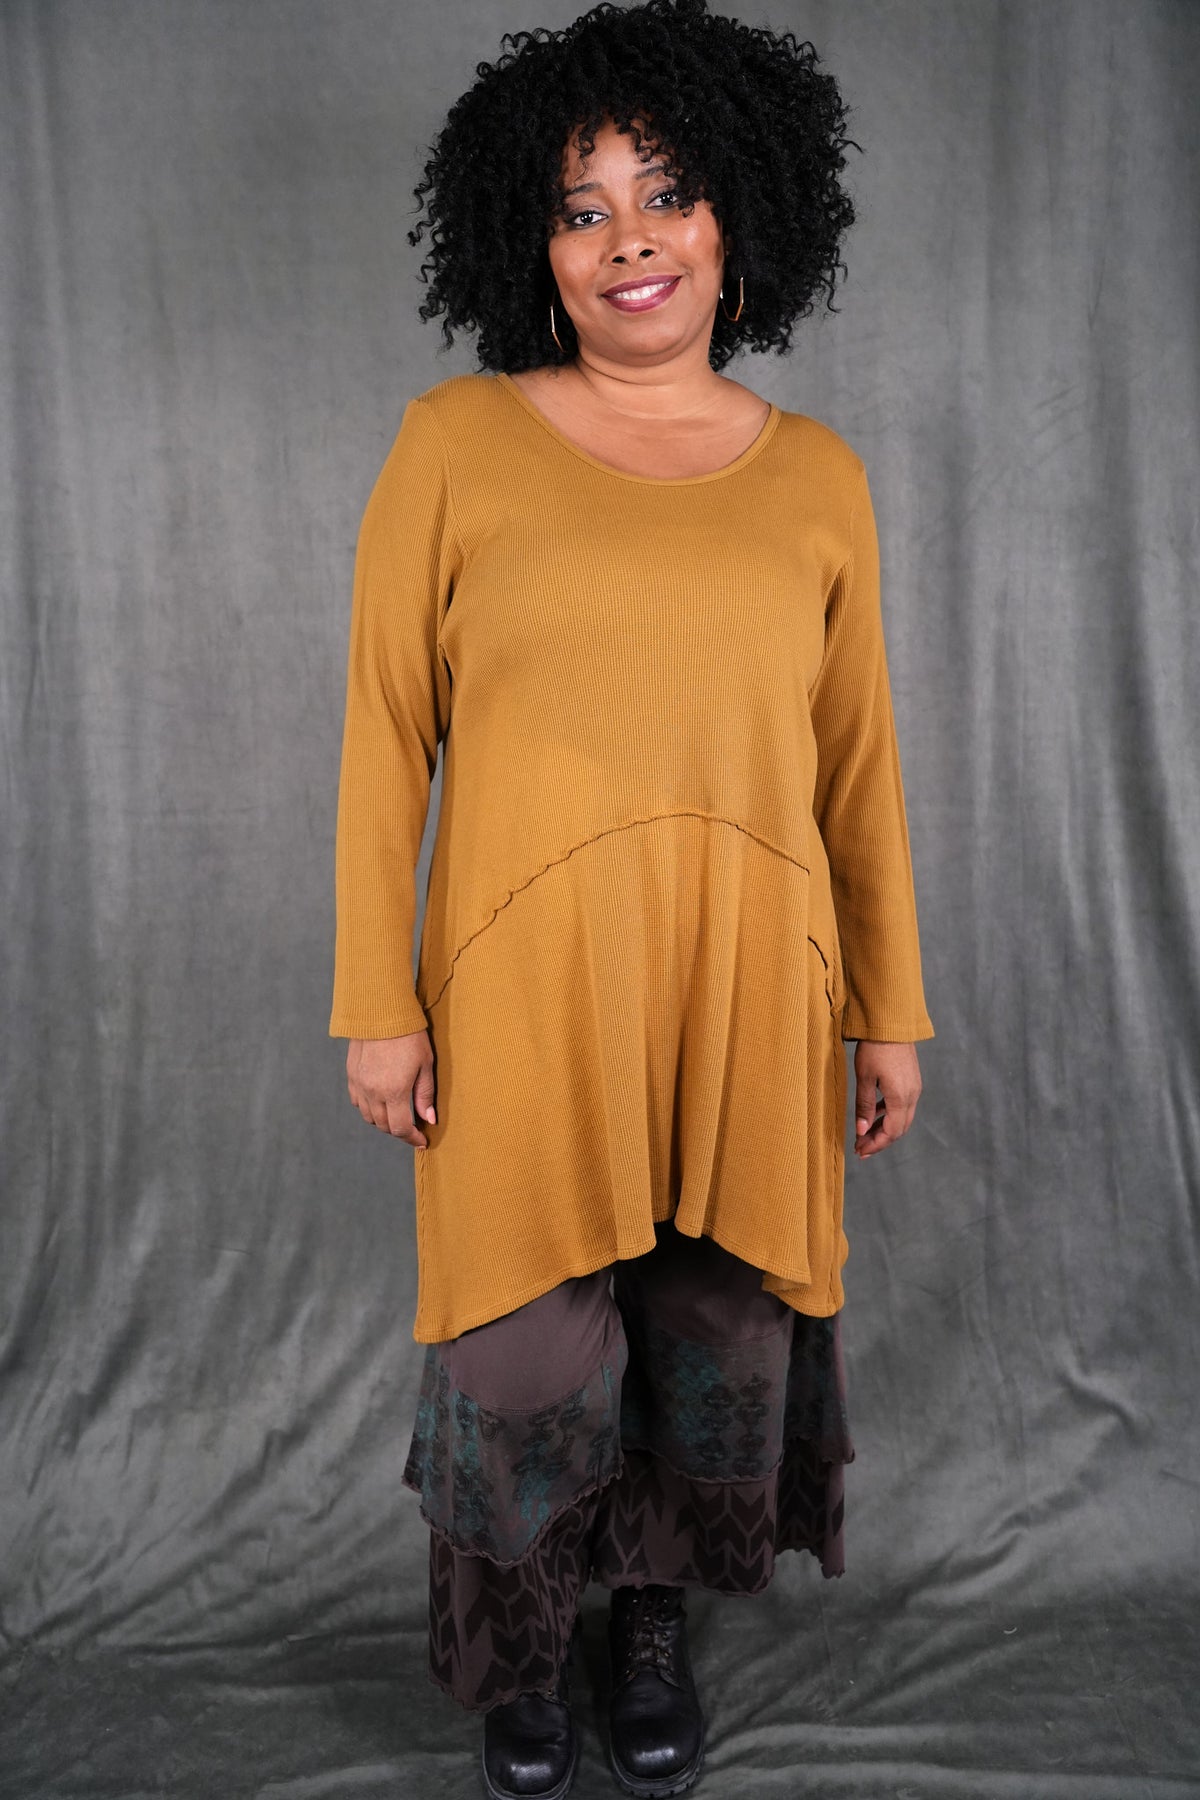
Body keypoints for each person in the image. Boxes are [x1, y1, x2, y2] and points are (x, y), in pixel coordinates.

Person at [328, 1, 934, 1794]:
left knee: (717, 1321)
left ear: (738, 214)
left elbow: (858, 772)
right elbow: (383, 739)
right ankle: (525, 1658)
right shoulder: (454, 442)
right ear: (533, 245)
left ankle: (648, 1618)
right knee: (525, 1351)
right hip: (523, 985)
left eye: (664, 194)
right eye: (581, 208)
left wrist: (888, 1008)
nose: (628, 240)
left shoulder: (819, 478)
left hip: (753, 982)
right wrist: (378, 998)